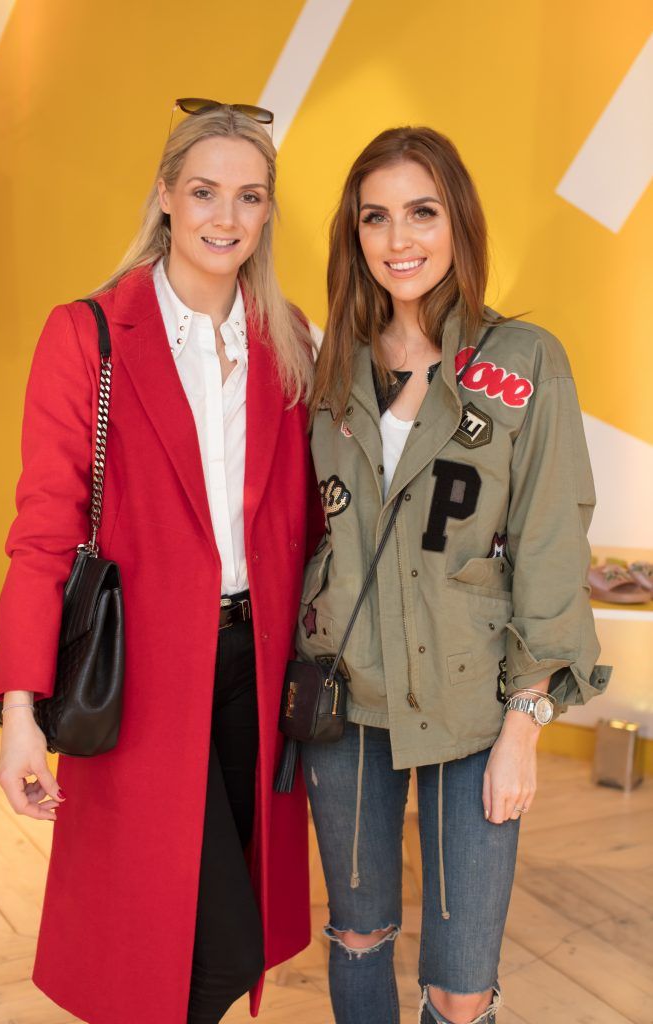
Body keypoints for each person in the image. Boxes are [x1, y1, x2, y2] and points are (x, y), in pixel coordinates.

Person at [0, 101, 323, 1024]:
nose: (226, 217)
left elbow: (313, 518)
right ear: (167, 199)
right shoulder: (89, 334)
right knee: (191, 944)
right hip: (135, 678)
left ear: (266, 215)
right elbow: (44, 533)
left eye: (249, 197)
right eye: (206, 192)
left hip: (253, 673)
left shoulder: (288, 337)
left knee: (217, 939)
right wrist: (20, 714)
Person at [296, 126, 609, 1024]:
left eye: (421, 212)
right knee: (355, 937)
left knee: (460, 981)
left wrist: (526, 722)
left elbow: (551, 541)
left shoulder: (523, 359)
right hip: (344, 702)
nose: (399, 239)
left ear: (458, 220)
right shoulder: (328, 367)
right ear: (352, 235)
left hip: (473, 709)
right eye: (376, 217)